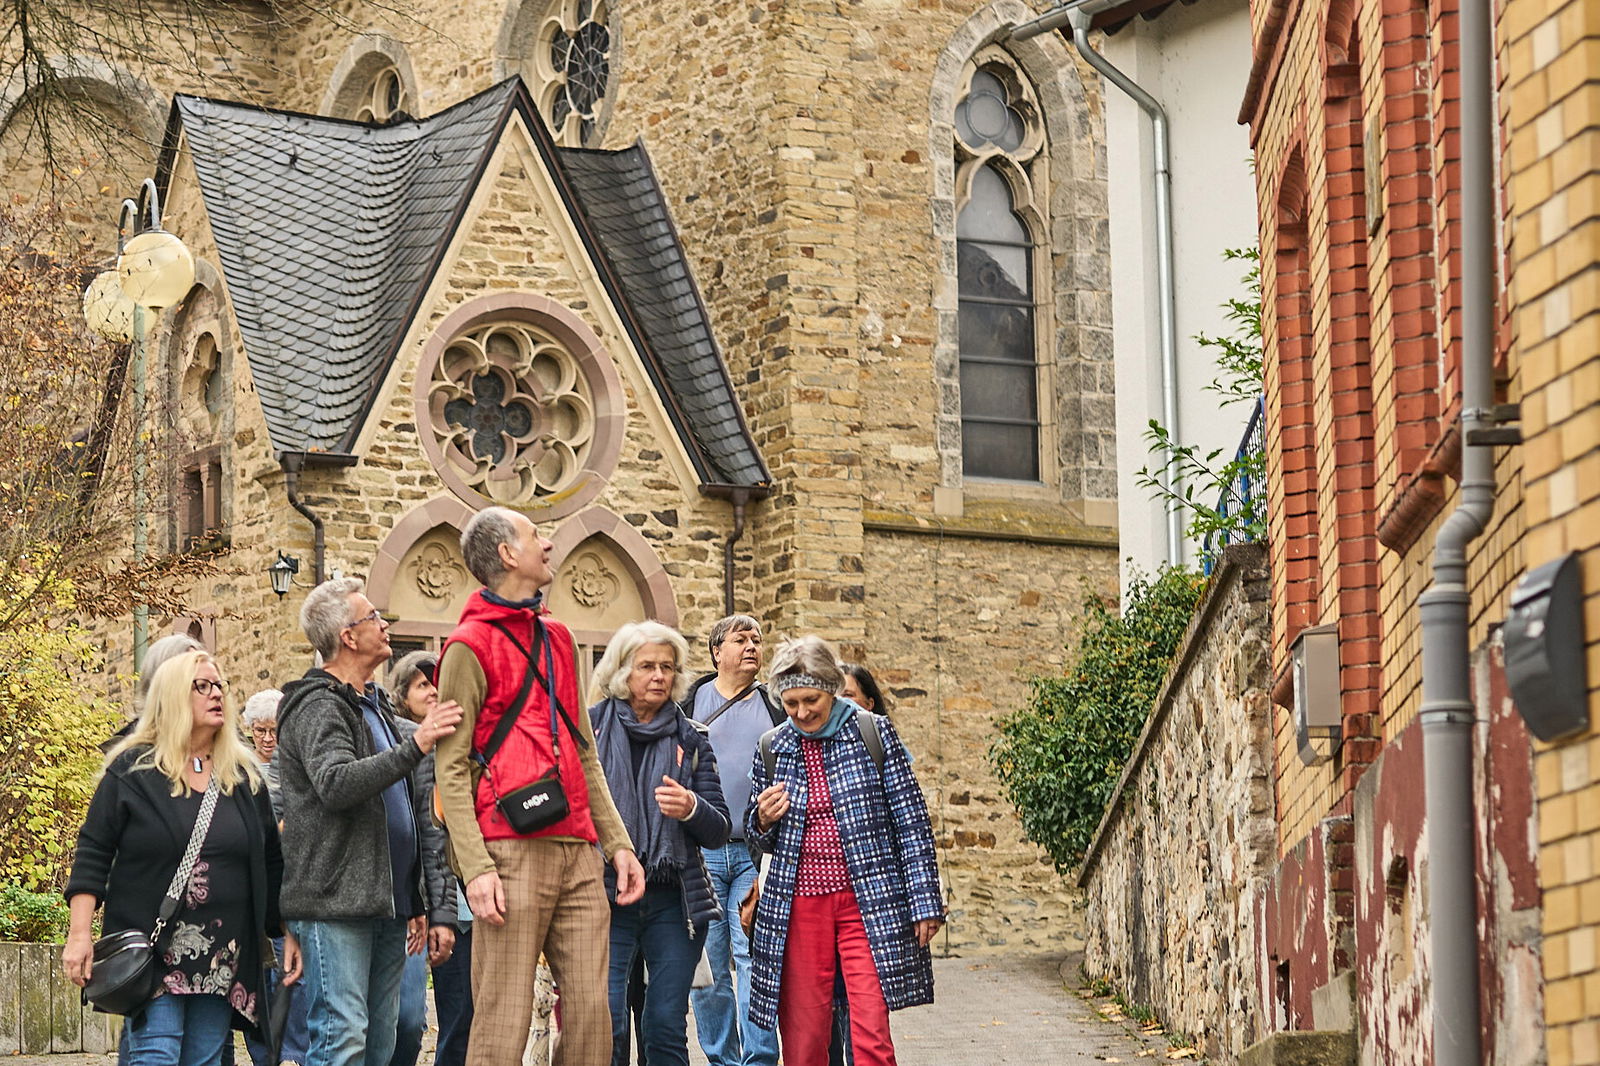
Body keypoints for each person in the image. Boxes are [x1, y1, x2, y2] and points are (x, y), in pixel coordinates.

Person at [433, 505, 645, 1066]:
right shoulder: (466, 646)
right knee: (502, 1020)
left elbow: (583, 751)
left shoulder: (559, 637)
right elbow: (450, 768)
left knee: (593, 1021)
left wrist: (618, 843)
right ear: (507, 554)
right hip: (508, 850)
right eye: (534, 536)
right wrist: (475, 868)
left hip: (578, 849)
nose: (547, 544)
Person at [63, 650, 301, 1066]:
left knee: (206, 1059)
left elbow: (271, 861)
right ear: (173, 697)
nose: (216, 695)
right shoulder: (132, 771)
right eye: (201, 686)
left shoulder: (242, 776)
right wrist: (80, 935)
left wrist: (287, 932)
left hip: (224, 957)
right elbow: (93, 851)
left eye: (219, 686)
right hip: (153, 950)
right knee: (156, 1053)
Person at [275, 578, 463, 1066]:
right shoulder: (318, 704)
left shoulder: (372, 705)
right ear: (347, 637)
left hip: (387, 901)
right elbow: (336, 783)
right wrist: (416, 745)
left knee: (382, 1043)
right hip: (336, 900)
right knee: (342, 1041)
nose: (385, 625)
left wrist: (415, 894)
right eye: (373, 618)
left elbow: (406, 811)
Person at [746, 637, 943, 1066]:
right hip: (798, 908)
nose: (800, 713)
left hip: (867, 903)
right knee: (804, 1039)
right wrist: (761, 819)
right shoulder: (772, 746)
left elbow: (911, 820)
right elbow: (757, 839)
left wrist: (925, 901)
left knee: (871, 1032)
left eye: (810, 700)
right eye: (790, 703)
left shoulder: (873, 732)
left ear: (832, 689)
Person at [589, 621, 730, 1066]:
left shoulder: (692, 738)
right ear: (621, 671)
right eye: (646, 666)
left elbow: (720, 828)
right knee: (605, 1021)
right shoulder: (588, 731)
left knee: (664, 1024)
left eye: (667, 667)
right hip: (605, 896)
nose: (658, 676)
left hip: (674, 901)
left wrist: (690, 806)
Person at [685, 615, 783, 1066]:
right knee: (708, 969)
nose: (752, 646)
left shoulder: (775, 707)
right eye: (740, 639)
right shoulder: (689, 702)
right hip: (700, 855)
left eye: (757, 640)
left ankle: (759, 1058)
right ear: (716, 652)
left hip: (754, 853)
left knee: (753, 960)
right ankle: (721, 1059)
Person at [385, 652, 470, 1066]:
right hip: (421, 899)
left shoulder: (468, 746)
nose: (435, 691)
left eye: (439, 684)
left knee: (466, 1012)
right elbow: (425, 833)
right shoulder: (400, 752)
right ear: (402, 697)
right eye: (422, 685)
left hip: (470, 896)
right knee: (409, 1019)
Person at [241, 689, 282, 796]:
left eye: (274, 731)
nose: (267, 739)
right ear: (251, 728)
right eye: (260, 731)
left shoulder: (295, 766)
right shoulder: (243, 768)